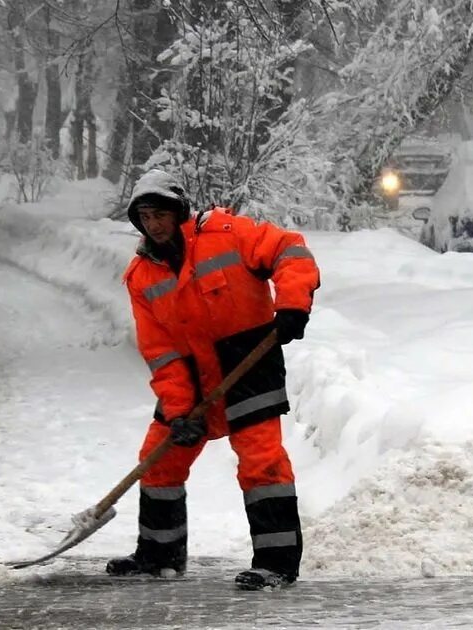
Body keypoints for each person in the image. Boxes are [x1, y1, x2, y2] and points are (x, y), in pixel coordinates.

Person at [108, 169, 320, 591]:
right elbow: (161, 352)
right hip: (191, 378)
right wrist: (180, 409)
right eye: (145, 216)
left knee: (261, 461)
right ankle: (159, 557)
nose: (154, 224)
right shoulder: (141, 277)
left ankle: (276, 564)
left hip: (248, 363)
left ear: (179, 209)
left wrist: (293, 303)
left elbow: (290, 250)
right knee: (160, 457)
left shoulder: (226, 233)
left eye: (160, 213)